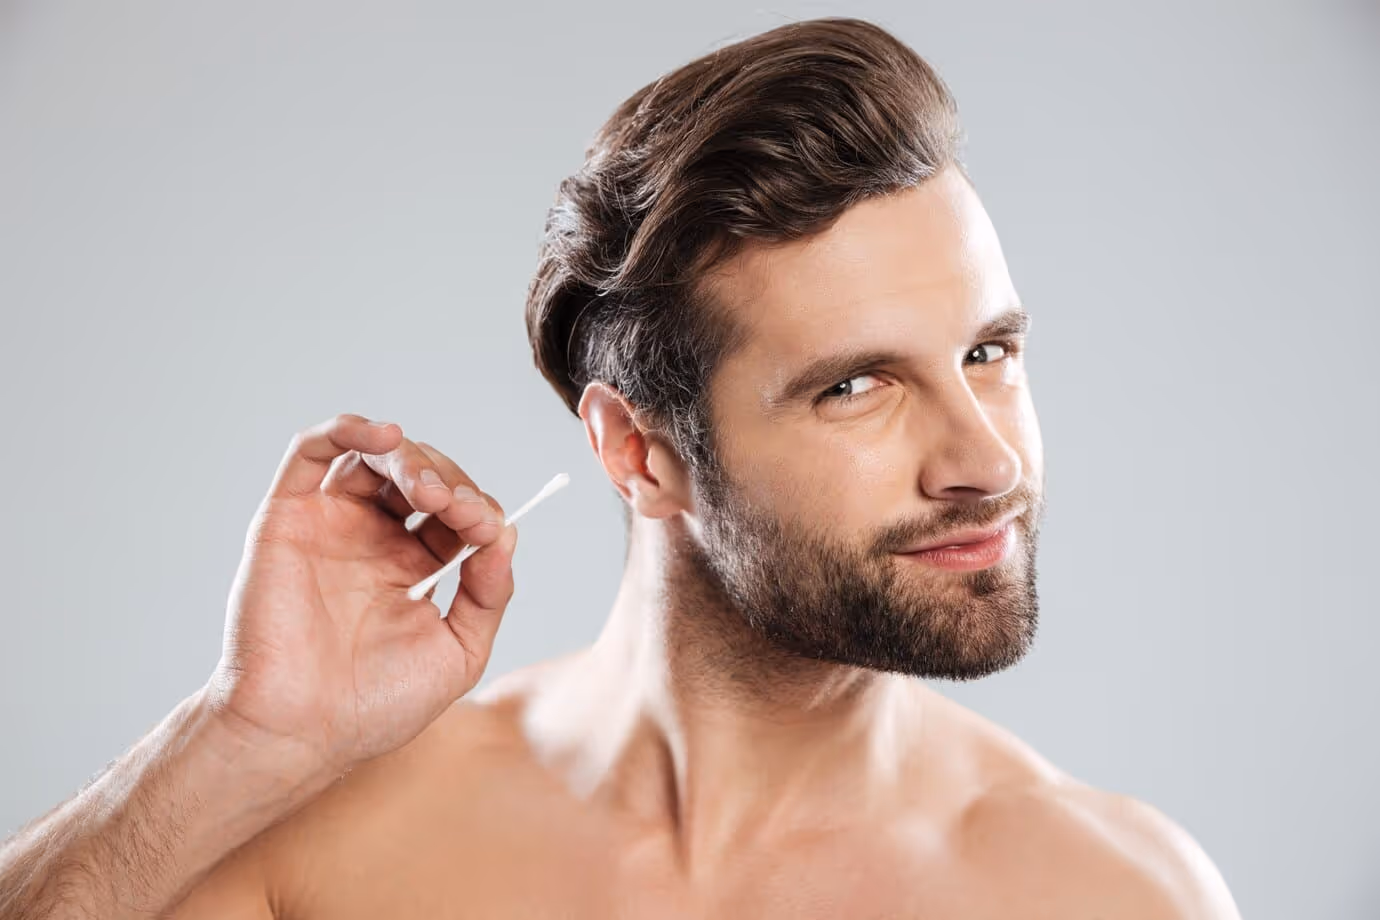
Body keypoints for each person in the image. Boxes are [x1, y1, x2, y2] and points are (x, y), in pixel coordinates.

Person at [0, 17, 1242, 919]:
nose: (984, 458)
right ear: (639, 452)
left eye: (989, 351)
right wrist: (241, 736)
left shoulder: (1112, 894)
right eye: (855, 384)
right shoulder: (332, 833)